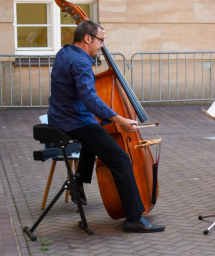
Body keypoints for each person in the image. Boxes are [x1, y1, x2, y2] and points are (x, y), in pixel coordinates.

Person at [47, 20, 165, 233]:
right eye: (101, 40)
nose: (103, 45)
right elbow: (90, 99)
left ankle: (79, 182)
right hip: (74, 121)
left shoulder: (64, 52)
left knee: (97, 133)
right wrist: (119, 119)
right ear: (88, 38)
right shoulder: (81, 62)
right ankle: (133, 219)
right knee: (120, 159)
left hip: (58, 116)